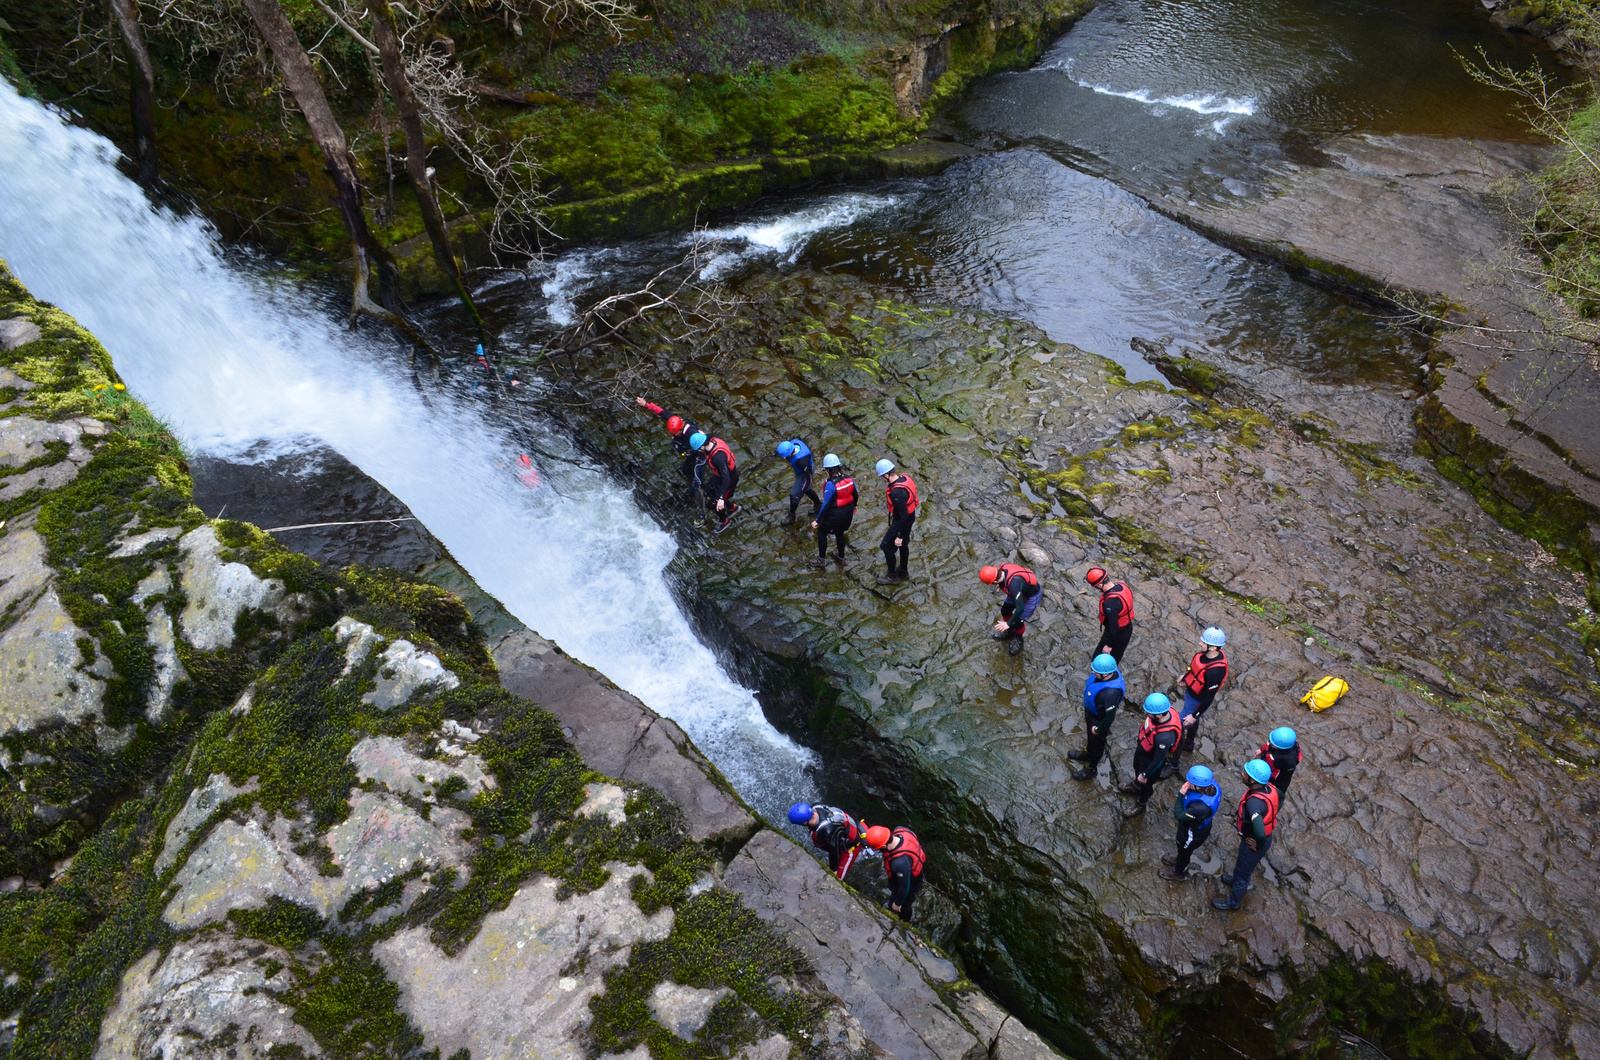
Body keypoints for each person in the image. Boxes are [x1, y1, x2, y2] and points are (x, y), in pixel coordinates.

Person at [1212, 759, 1280, 911]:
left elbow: (1260, 831)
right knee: (1240, 866)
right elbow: (1280, 797)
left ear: (1253, 780)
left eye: (1245, 773)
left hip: (1255, 842)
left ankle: (1233, 902)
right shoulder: (1268, 787)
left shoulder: (1254, 803)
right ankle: (1235, 879)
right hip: (1258, 837)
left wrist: (1258, 845)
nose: (1242, 774)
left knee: (1244, 872)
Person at [1167, 626, 1228, 777]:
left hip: (1198, 701)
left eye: (1204, 642)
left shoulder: (1215, 671)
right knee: (1190, 721)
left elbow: (1209, 697)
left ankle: (1174, 764)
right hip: (1191, 694)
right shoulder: (1204, 655)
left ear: (1213, 647)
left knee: (1178, 727)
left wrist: (1194, 715)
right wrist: (1185, 677)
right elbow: (1194, 667)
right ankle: (1189, 743)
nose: (1200, 643)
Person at [1117, 693, 1182, 817]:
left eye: (1148, 713)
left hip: (1150, 761)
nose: (1146, 714)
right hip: (1142, 751)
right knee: (1137, 770)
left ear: (1158, 715)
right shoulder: (1160, 714)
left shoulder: (1165, 737)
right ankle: (1136, 786)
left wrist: (1146, 774)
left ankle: (1141, 803)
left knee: (1146, 785)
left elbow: (1158, 760)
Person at [1160, 765, 1220, 881]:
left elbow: (1178, 815)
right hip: (1197, 822)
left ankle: (1179, 871)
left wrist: (1181, 794)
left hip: (1193, 833)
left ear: (1199, 786)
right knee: (1182, 850)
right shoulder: (1212, 786)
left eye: (1191, 782)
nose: (1188, 783)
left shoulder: (1201, 808)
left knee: (1184, 849)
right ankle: (1179, 860)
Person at [1070, 654, 1124, 780]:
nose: (1093, 671)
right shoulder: (1106, 673)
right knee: (1090, 739)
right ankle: (1088, 753)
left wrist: (1098, 729)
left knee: (1097, 744)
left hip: (1099, 719)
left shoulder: (1110, 693)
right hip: (1091, 712)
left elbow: (1110, 717)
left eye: (1096, 671)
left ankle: (1092, 769)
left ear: (1105, 675)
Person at [633, 397, 701, 489]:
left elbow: (702, 442)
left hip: (696, 452)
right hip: (686, 449)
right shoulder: (677, 422)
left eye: (676, 433)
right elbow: (662, 412)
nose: (675, 434)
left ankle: (696, 487)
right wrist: (646, 404)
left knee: (694, 472)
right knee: (686, 469)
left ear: (681, 429)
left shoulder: (692, 433)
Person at [863, 823, 926, 921]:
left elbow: (905, 887)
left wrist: (898, 903)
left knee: (900, 906)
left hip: (911, 883)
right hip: (909, 869)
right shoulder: (900, 829)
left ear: (884, 846)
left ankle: (905, 921)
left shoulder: (899, 863)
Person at [979, 563, 1042, 656]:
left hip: (1031, 597)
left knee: (1018, 621)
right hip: (1017, 592)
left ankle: (1018, 638)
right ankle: (1011, 629)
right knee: (1005, 611)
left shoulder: (1014, 585)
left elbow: (1020, 608)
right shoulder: (1002, 570)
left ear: (994, 582)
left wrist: (1008, 624)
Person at [789, 802, 862, 880]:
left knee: (837, 879)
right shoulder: (816, 806)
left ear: (804, 822)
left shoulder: (827, 831)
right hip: (840, 832)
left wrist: (833, 870)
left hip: (850, 847)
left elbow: (834, 852)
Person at [876, 459, 918, 585]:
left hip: (902, 520)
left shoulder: (896, 492)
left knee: (886, 546)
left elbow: (903, 516)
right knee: (904, 545)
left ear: (886, 475)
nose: (883, 480)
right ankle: (903, 571)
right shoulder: (904, 478)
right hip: (910, 517)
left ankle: (892, 576)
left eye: (882, 477)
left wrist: (899, 535)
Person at [810, 455, 856, 569]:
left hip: (835, 514)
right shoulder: (849, 479)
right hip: (848, 512)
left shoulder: (831, 484)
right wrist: (854, 506)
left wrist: (817, 520)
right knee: (839, 532)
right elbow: (855, 494)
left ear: (828, 470)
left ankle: (821, 559)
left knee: (822, 532)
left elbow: (826, 505)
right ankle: (841, 557)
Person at [690, 431, 740, 533]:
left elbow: (726, 477)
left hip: (729, 478)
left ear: (702, 447)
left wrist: (721, 498)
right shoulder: (713, 439)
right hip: (719, 475)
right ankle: (732, 508)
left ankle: (723, 521)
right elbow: (705, 436)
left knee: (716, 502)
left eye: (699, 449)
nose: (699, 451)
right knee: (709, 491)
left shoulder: (718, 457)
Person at [1085, 567, 1135, 663]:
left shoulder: (1111, 603)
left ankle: (1102, 676)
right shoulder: (1122, 586)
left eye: (1095, 586)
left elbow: (1114, 628)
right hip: (1127, 629)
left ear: (1100, 585)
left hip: (1116, 634)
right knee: (1115, 658)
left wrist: (1109, 645)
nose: (1096, 589)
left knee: (1099, 660)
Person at [776, 439, 822, 525]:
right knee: (808, 490)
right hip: (800, 470)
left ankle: (791, 515)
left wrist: (801, 490)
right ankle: (818, 505)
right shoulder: (794, 443)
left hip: (806, 473)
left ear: (790, 454)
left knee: (794, 495)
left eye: (786, 456)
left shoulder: (802, 461)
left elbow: (808, 479)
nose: (785, 458)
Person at [1259, 727, 1302, 796]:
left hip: (1276, 779)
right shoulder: (1288, 743)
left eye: (1273, 743)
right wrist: (1262, 751)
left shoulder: (1286, 761)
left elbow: (1280, 778)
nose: (1270, 743)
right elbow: (1270, 746)